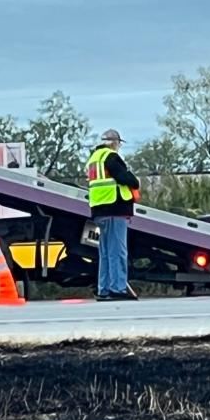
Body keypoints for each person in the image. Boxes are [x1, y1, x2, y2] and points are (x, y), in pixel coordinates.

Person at [86, 129, 140, 301]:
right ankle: (117, 288)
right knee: (118, 251)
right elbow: (126, 179)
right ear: (115, 142)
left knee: (105, 252)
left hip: (99, 210)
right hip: (114, 209)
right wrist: (134, 179)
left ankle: (104, 289)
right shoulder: (111, 157)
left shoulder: (94, 158)